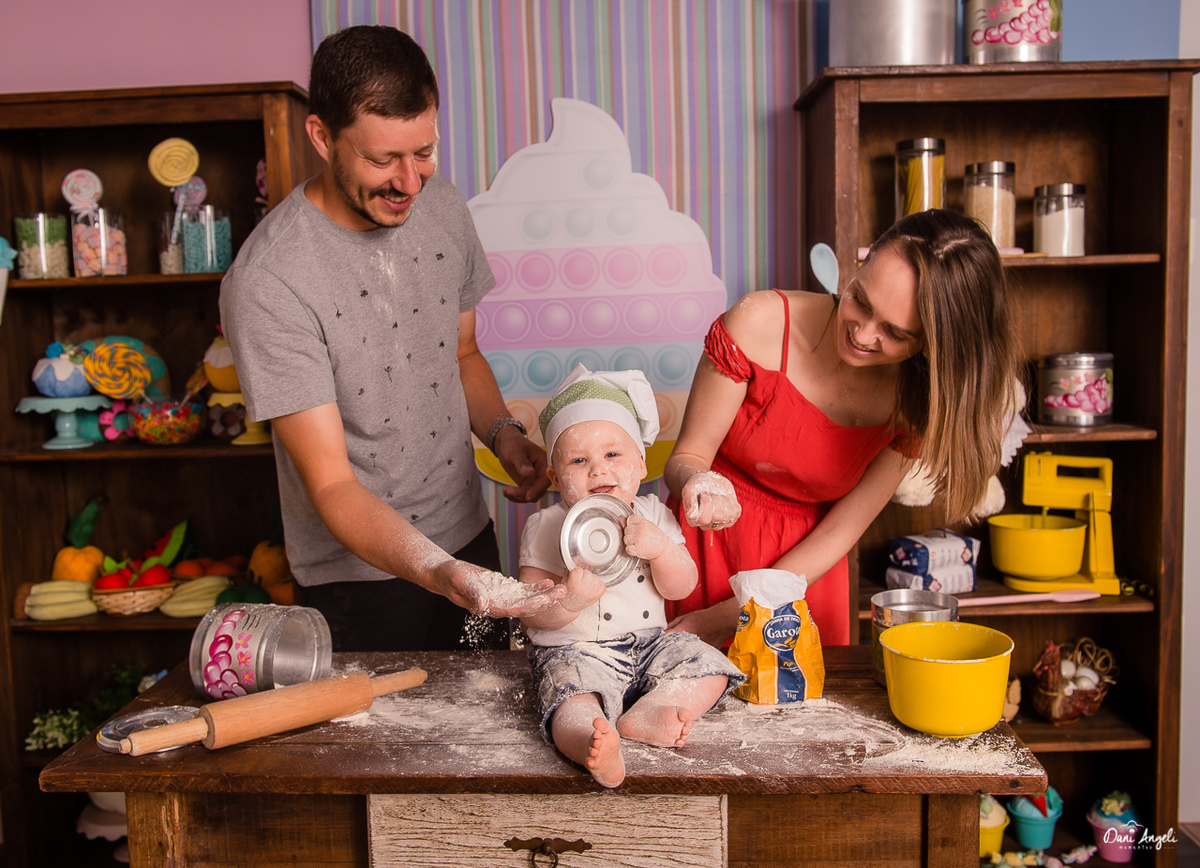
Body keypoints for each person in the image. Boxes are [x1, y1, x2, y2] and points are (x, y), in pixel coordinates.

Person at [219, 25, 564, 652]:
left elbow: (461, 353)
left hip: (467, 538)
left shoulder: (444, 208)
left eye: (424, 152)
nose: (410, 183)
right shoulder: (268, 280)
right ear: (322, 136)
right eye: (382, 160)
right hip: (355, 579)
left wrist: (504, 436)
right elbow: (332, 485)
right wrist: (437, 571)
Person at [664, 209, 1021, 647]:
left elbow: (843, 530)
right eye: (861, 300)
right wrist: (698, 483)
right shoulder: (758, 322)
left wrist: (737, 612)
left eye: (895, 333)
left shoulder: (916, 404)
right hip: (704, 552)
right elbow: (687, 457)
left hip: (804, 573)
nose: (863, 335)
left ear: (932, 344)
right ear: (860, 265)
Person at [517, 365, 745, 788]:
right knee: (570, 697)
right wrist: (569, 599)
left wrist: (661, 550)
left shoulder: (654, 514)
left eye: (612, 455)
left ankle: (650, 711)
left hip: (651, 644)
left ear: (641, 464)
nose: (598, 470)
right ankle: (590, 740)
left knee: (710, 666)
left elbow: (682, 586)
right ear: (554, 478)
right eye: (579, 460)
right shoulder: (546, 527)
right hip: (579, 653)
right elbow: (531, 614)